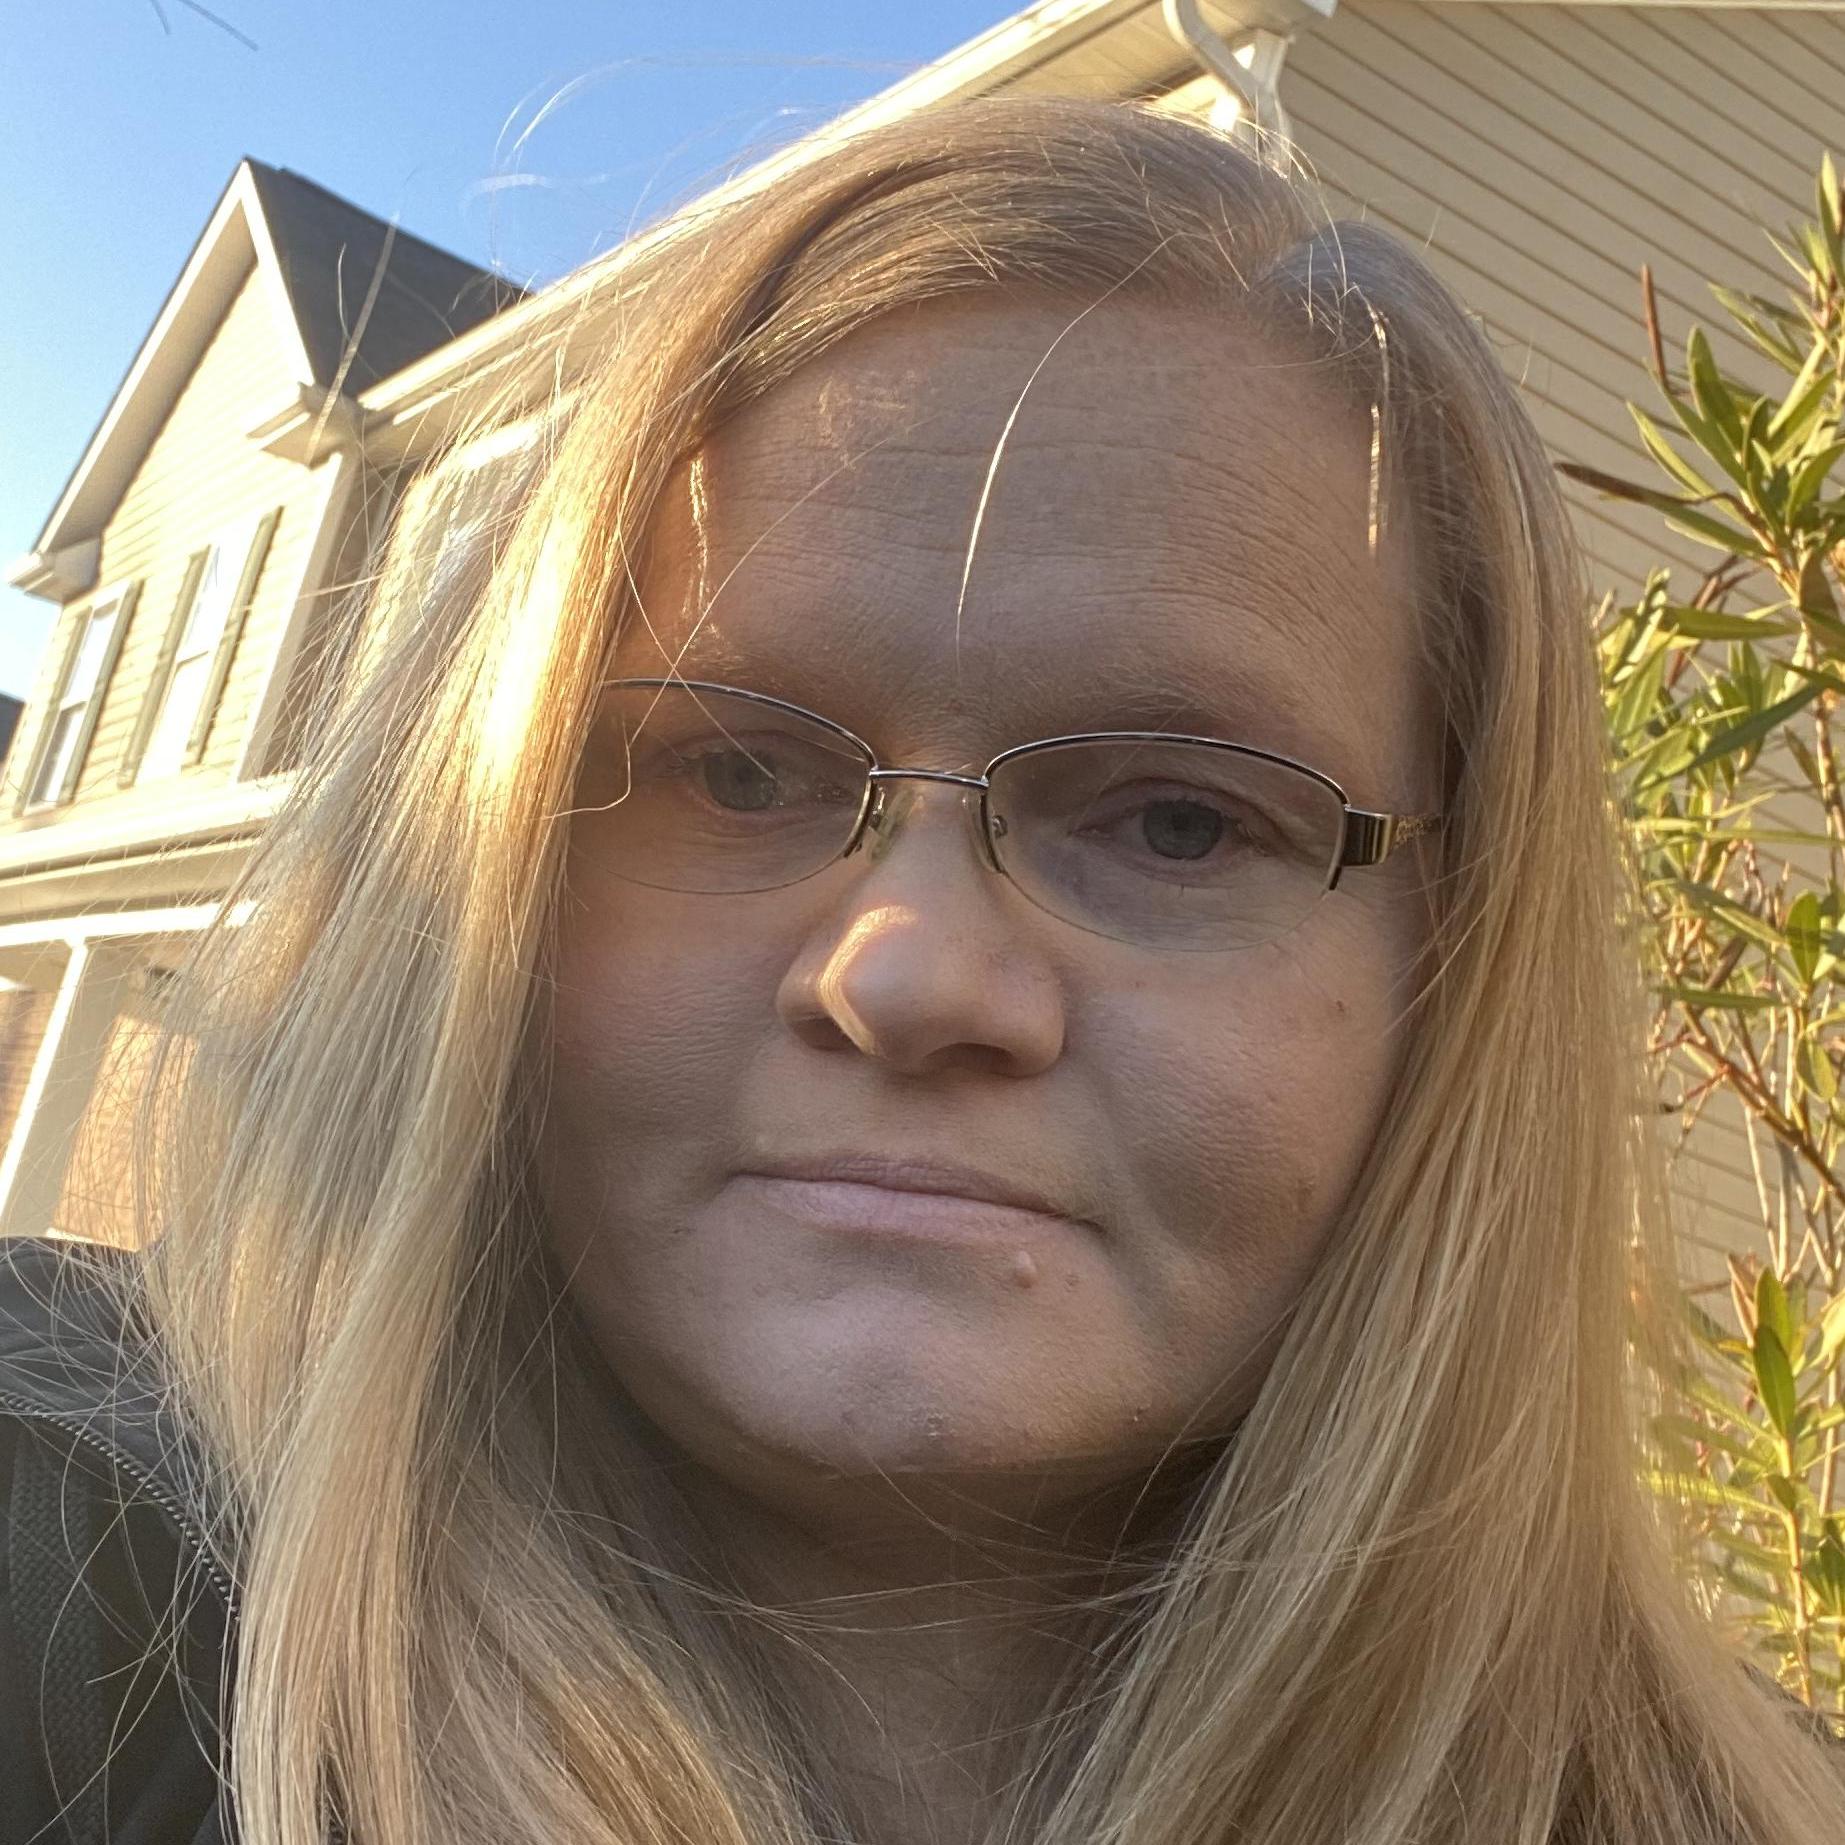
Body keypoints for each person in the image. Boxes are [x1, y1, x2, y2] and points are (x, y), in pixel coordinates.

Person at [2, 92, 1841, 1845]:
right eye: (734, 769)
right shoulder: (62, 1554)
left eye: (1180, 820)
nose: (912, 978)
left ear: (1454, 964)